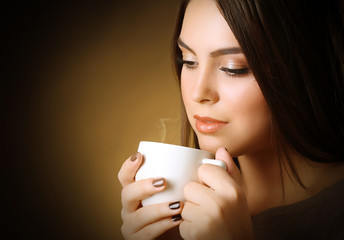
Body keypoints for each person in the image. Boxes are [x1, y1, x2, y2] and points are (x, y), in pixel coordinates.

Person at [118, 0, 344, 239]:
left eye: (233, 68)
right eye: (188, 61)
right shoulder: (183, 210)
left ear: (303, 68)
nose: (198, 93)